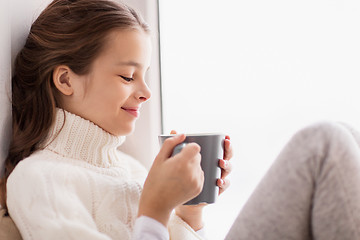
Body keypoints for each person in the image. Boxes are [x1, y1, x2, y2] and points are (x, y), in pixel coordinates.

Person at [0, 0, 233, 239]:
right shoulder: (39, 180)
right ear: (66, 81)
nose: (147, 93)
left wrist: (189, 210)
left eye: (145, 75)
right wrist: (156, 210)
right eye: (128, 76)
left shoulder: (132, 169)